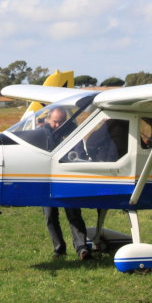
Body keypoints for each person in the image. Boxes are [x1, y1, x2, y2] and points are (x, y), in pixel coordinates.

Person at [41, 107, 90, 260]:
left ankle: (82, 248)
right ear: (49, 120)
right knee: (50, 215)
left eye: (61, 122)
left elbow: (79, 153)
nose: (58, 125)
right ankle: (59, 249)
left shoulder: (73, 131)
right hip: (47, 179)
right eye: (55, 122)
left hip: (67, 177)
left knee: (73, 213)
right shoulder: (42, 132)